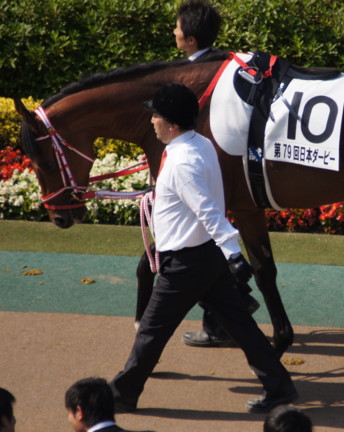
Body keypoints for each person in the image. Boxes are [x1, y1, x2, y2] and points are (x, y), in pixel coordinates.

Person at [111, 83, 298, 414]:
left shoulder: (182, 162)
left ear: (171, 123)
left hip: (185, 264)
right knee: (240, 325)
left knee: (152, 332)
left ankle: (123, 393)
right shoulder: (201, 145)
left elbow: (210, 213)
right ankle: (279, 386)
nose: (151, 120)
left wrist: (234, 254)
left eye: (155, 115)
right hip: (205, 258)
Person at [134, 0, 249, 349]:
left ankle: (143, 338)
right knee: (220, 293)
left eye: (178, 28)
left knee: (161, 274)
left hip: (194, 180)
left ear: (192, 40)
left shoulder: (199, 76)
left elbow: (209, 212)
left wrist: (233, 250)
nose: (173, 31)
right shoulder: (210, 67)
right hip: (196, 173)